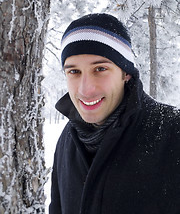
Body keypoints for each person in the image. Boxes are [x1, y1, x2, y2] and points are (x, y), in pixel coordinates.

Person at [49, 13, 180, 214]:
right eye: (74, 72)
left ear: (126, 73)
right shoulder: (67, 139)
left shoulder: (172, 132)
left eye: (100, 69)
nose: (85, 90)